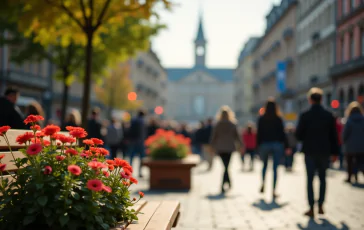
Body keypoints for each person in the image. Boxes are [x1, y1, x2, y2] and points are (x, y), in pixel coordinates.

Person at [295, 87, 339, 218]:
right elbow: (334, 136)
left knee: (310, 179)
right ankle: (321, 204)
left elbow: (298, 135)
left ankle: (311, 207)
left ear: (310, 100)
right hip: (324, 151)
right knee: (322, 179)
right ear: (321, 99)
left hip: (309, 151)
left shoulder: (305, 115)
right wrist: (335, 152)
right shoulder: (329, 115)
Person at [257, 97, 290, 199]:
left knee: (264, 166)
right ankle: (274, 190)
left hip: (265, 144)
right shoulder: (278, 119)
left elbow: (259, 134)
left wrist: (258, 147)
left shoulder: (261, 119)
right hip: (277, 145)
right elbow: (282, 134)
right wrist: (287, 146)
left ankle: (263, 183)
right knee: (275, 168)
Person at [210, 106, 242, 194]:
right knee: (226, 166)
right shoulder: (232, 124)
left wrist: (212, 146)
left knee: (225, 166)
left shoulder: (217, 124)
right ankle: (227, 183)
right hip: (229, 148)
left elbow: (214, 137)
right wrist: (241, 145)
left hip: (220, 148)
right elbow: (237, 136)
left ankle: (224, 184)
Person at [342, 101, 364, 184]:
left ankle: (350, 177)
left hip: (350, 146)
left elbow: (345, 133)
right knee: (361, 162)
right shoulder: (363, 120)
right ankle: (357, 175)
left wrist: (344, 141)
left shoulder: (349, 120)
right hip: (362, 146)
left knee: (350, 162)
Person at [127, 110, 147, 177]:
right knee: (141, 158)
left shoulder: (133, 120)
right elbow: (142, 133)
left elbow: (129, 130)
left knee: (131, 157)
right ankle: (140, 172)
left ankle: (129, 171)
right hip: (140, 142)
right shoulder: (142, 121)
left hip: (132, 141)